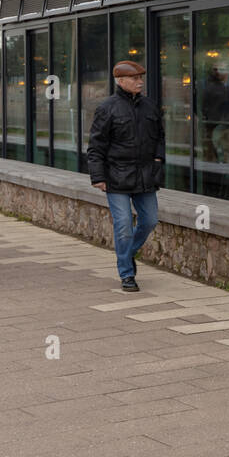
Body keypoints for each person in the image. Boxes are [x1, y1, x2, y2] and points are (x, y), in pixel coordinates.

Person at [87, 61, 164, 293]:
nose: (140, 82)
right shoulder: (107, 108)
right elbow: (96, 145)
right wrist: (98, 176)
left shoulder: (150, 106)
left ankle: (127, 254)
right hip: (116, 177)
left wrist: (158, 161)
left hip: (145, 176)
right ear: (121, 81)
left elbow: (160, 137)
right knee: (123, 226)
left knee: (150, 220)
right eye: (135, 78)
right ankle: (127, 274)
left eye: (141, 78)